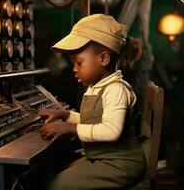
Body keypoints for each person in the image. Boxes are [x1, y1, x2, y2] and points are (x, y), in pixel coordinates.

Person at [39, 14, 145, 190]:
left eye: (78, 63)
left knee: (57, 185)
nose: (74, 69)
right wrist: (65, 115)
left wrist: (69, 128)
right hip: (105, 158)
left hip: (120, 164)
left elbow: (111, 131)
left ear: (103, 59)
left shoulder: (116, 89)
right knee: (55, 172)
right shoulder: (97, 86)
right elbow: (94, 121)